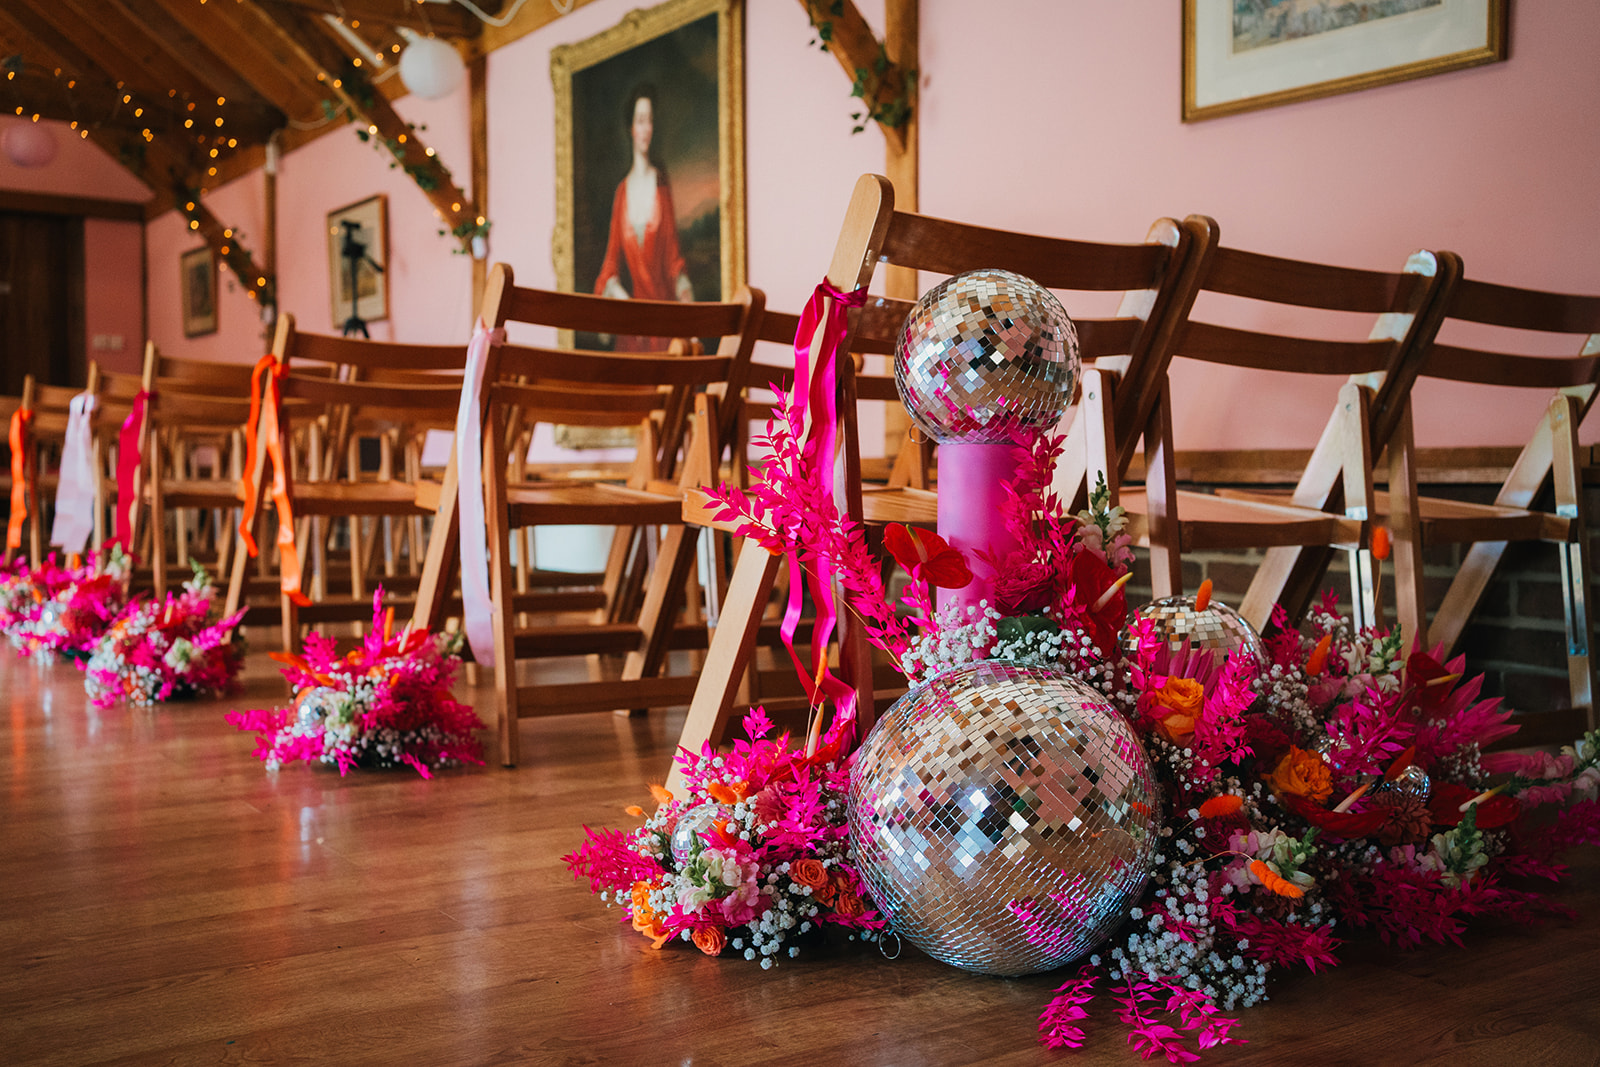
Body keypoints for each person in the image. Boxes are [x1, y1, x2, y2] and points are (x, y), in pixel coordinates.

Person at [592, 84, 694, 350]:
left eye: (650, 121)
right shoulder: (622, 193)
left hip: (664, 323)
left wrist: (692, 319)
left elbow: (674, 261)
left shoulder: (661, 186)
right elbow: (610, 266)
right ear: (631, 128)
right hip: (634, 330)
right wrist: (627, 305)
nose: (646, 128)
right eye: (640, 121)